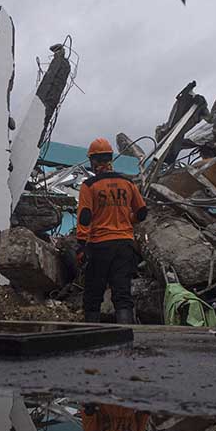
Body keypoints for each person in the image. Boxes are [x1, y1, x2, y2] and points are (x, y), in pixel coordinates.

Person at [76, 138, 148, 324]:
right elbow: (142, 212)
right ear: (110, 159)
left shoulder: (90, 185)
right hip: (124, 245)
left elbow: (85, 216)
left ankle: (90, 338)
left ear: (93, 161)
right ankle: (126, 337)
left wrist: (81, 246)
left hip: (99, 245)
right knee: (122, 294)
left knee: (93, 295)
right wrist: (126, 218)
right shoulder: (127, 183)